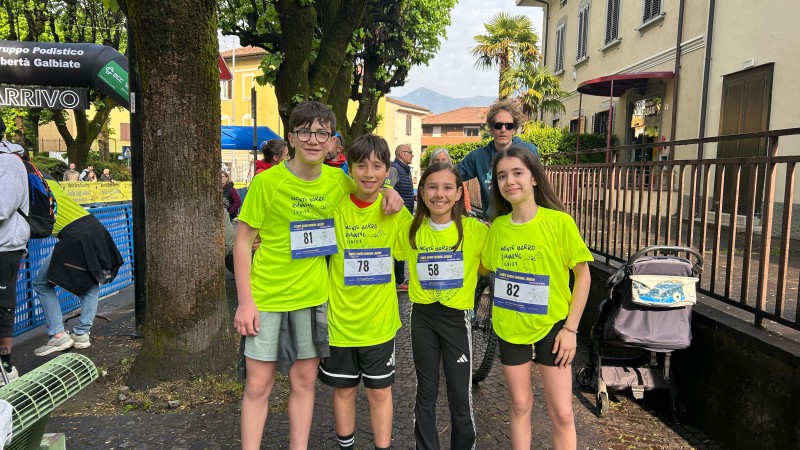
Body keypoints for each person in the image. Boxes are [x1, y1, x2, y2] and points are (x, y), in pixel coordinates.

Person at [232, 100, 402, 450]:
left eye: (322, 133)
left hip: (313, 299)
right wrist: (245, 302)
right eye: (305, 132)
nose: (313, 139)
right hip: (266, 297)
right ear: (291, 138)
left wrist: (391, 191)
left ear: (332, 141)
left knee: (304, 383)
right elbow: (243, 241)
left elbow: (368, 186)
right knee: (259, 385)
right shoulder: (267, 183)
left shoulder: (338, 182)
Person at [481, 147, 592, 449]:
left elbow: (583, 276)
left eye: (517, 173)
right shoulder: (499, 228)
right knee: (520, 405)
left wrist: (571, 329)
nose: (509, 181)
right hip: (510, 327)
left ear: (534, 178)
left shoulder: (559, 222)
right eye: (501, 176)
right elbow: (484, 265)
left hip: (553, 328)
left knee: (563, 413)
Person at [318, 134, 412, 450]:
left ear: (387, 170)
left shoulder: (396, 212)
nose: (369, 174)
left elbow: (420, 245)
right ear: (350, 168)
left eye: (377, 166)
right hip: (340, 323)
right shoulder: (336, 208)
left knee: (379, 392)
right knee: (344, 390)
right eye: (361, 165)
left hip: (379, 324)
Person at [394, 162, 489, 450]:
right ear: (421, 192)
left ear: (459, 193)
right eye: (432, 187)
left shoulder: (475, 231)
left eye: (448, 187)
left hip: (456, 320)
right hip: (422, 318)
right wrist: (388, 192)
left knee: (460, 395)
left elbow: (489, 265)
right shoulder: (411, 229)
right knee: (426, 391)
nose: (439, 194)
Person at [33, 179, 124, 356]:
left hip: (74, 234)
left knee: (42, 283)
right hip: (93, 226)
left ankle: (58, 335)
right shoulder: (46, 179)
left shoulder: (25, 183)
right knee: (92, 281)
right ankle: (82, 334)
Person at [457, 99, 539, 215]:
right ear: (491, 129)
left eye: (508, 126)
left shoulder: (529, 150)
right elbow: (450, 177)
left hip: (526, 219)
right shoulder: (478, 157)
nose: (503, 130)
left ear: (514, 129)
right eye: (498, 125)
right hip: (494, 222)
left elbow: (540, 186)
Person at [0, 132, 29, 383]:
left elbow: (3, 207)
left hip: (6, 246)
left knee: (3, 304)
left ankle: (5, 367)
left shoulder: (8, 162)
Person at [389, 144, 415, 290]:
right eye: (409, 152)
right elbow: (388, 190)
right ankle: (398, 280)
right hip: (396, 217)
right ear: (401, 154)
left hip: (405, 216)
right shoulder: (394, 169)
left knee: (402, 247)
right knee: (398, 248)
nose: (412, 155)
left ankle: (399, 279)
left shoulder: (405, 170)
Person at [430, 147, 472, 212]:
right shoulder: (427, 179)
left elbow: (465, 198)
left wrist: (468, 211)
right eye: (437, 160)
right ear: (432, 162)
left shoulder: (456, 177)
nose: (440, 162)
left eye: (443, 160)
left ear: (448, 161)